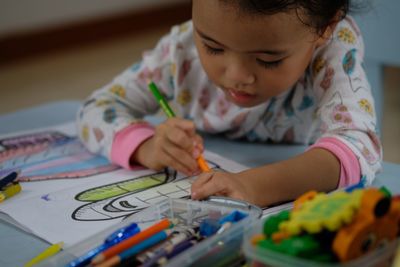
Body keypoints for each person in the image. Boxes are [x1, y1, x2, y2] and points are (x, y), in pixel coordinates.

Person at [76, 0, 382, 207]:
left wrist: (254, 186)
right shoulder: (180, 50)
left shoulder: (331, 48)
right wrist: (147, 147)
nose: (237, 77)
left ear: (325, 28)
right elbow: (98, 106)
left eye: (268, 59)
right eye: (212, 47)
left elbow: (360, 147)